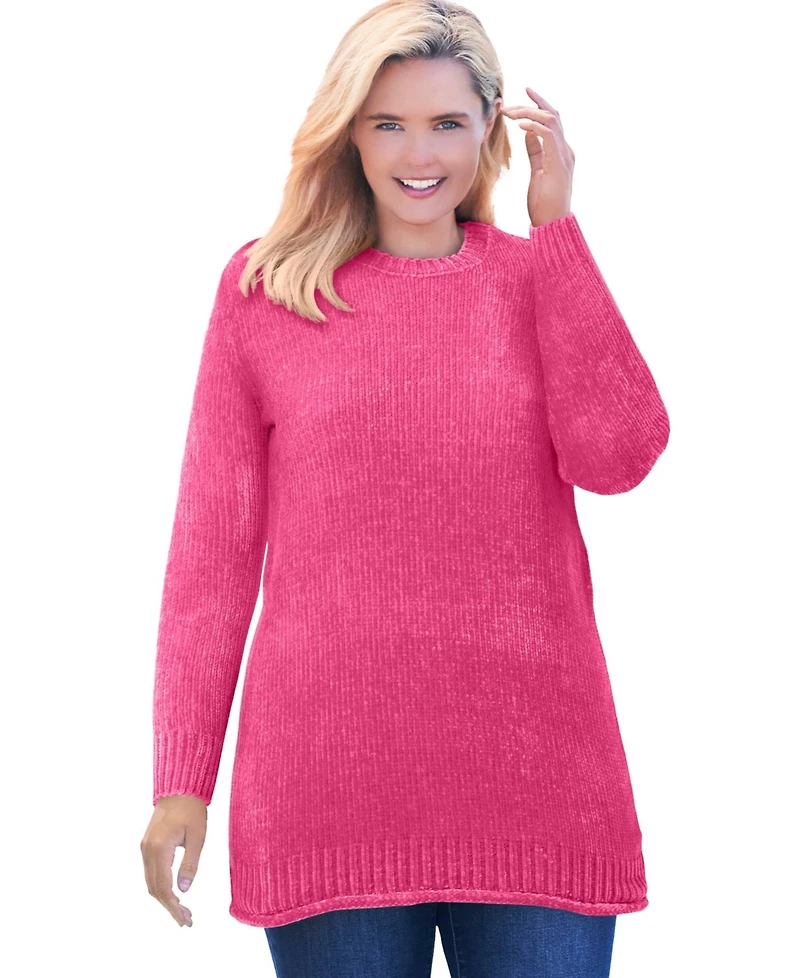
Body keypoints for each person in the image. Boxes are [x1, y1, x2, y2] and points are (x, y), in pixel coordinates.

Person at [140, 1, 670, 975]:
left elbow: (620, 456)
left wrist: (556, 229)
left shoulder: (534, 279)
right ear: (348, 131)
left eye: (446, 123)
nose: (417, 153)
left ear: (490, 127)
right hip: (328, 790)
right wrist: (183, 778)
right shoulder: (269, 292)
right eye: (388, 123)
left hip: (537, 788)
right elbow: (212, 556)